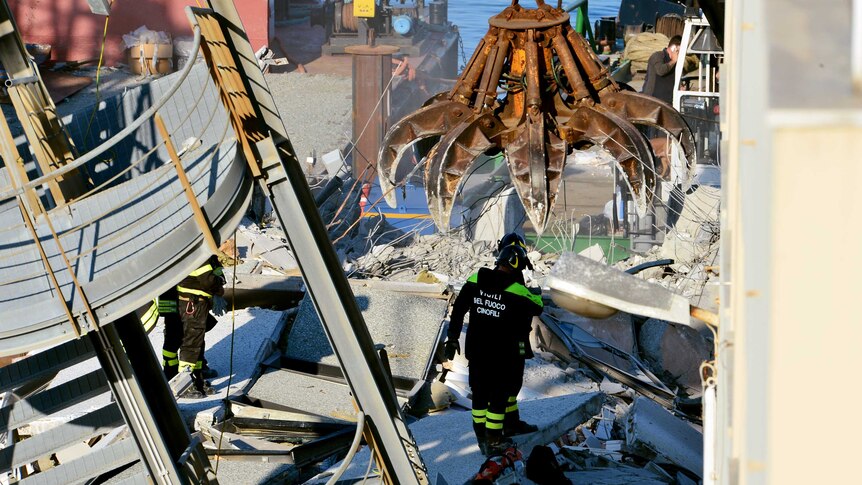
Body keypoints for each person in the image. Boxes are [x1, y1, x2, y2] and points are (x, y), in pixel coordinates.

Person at [444, 244, 544, 456]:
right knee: (499, 396)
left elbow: (458, 311)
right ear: (515, 265)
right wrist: (533, 292)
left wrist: (452, 338)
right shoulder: (516, 290)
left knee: (479, 395)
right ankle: (494, 440)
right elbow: (538, 306)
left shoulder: (474, 279)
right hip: (502, 353)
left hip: (477, 349)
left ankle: (481, 438)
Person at [176, 255, 226, 398]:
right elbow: (208, 280)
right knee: (191, 342)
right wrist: (219, 290)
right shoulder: (199, 255)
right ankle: (184, 385)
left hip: (197, 303)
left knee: (197, 341)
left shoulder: (203, 254)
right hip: (193, 304)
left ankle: (198, 379)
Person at [642, 35, 681, 105]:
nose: (679, 55)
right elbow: (660, 71)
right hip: (652, 101)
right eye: (678, 51)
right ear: (674, 48)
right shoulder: (658, 56)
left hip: (667, 103)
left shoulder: (676, 63)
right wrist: (673, 61)